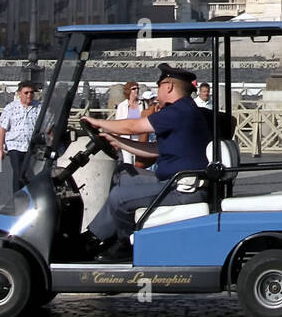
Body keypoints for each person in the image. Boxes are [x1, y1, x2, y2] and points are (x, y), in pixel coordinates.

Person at [81, 66, 209, 261]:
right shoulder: (184, 110)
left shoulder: (178, 111)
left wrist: (99, 123)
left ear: (169, 86)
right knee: (123, 173)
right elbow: (156, 150)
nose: (157, 93)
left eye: (159, 87)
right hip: (174, 181)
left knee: (119, 198)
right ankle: (96, 236)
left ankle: (125, 243)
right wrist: (118, 142)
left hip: (181, 189)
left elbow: (133, 126)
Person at [0, 82, 40, 190]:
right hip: (14, 145)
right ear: (20, 93)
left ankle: (29, 196)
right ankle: (17, 198)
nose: (29, 95)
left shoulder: (39, 107)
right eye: (26, 93)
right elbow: (2, 128)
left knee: (30, 174)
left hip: (31, 146)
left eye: (31, 92)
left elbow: (47, 125)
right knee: (18, 172)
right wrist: (0, 149)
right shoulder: (10, 108)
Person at [114, 81, 143, 166]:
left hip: (140, 138)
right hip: (126, 138)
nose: (136, 90)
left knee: (139, 163)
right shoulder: (122, 106)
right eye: (134, 89)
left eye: (137, 88)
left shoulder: (143, 104)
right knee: (128, 162)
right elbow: (118, 124)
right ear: (128, 91)